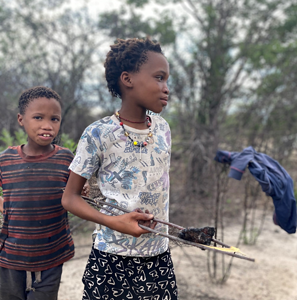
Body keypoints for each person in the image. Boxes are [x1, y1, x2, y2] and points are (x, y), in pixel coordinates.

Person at [62, 37, 178, 299]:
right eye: (159, 77)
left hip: (157, 257)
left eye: (167, 80)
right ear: (127, 79)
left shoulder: (162, 130)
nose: (165, 87)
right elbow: (69, 198)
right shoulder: (98, 134)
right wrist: (114, 222)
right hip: (111, 259)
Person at [0, 86, 89, 300]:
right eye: (38, 117)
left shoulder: (66, 158)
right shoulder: (6, 159)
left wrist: (81, 190)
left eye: (54, 119)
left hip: (51, 254)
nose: (47, 126)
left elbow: (75, 193)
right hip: (11, 254)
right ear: (21, 119)